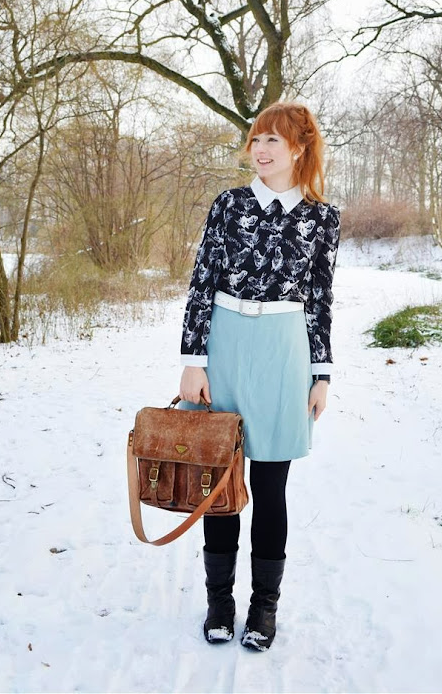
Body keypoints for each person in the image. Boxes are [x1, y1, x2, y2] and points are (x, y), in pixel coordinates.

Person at [178, 101, 340, 651]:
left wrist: (321, 374)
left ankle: (264, 607)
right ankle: (219, 602)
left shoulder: (322, 218)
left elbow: (320, 298)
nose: (261, 150)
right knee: (220, 484)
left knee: (271, 488)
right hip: (224, 344)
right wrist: (193, 360)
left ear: (299, 147)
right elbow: (202, 281)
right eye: (256, 139)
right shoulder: (229, 205)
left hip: (284, 351)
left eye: (273, 140)